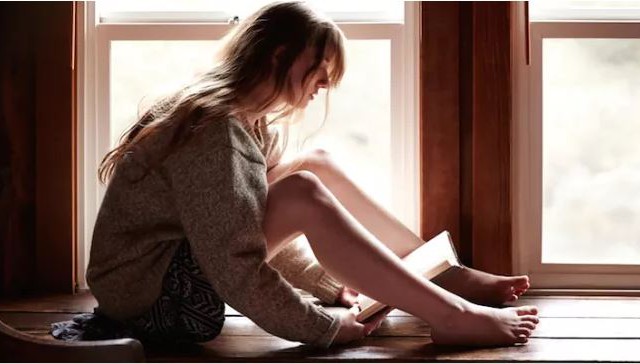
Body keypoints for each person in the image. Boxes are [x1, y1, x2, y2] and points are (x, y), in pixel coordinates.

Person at [86, 1, 538, 349]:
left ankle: (442, 276)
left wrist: (327, 286)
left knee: (312, 162)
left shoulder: (247, 119)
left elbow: (243, 219)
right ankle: (452, 315)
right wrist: (322, 326)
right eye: (319, 72)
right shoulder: (215, 131)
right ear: (280, 57)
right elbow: (235, 262)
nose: (323, 85)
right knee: (301, 190)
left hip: (178, 273)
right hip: (155, 304)